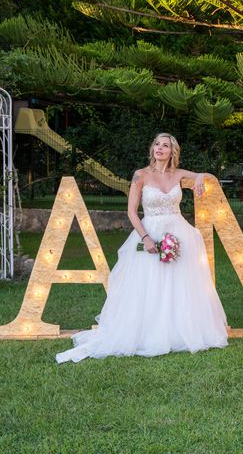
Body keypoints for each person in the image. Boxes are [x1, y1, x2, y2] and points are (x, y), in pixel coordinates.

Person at [56, 133, 228, 363]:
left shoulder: (177, 174)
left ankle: (177, 331)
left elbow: (208, 175)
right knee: (150, 284)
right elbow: (131, 211)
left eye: (165, 145)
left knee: (179, 285)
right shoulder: (141, 175)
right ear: (152, 149)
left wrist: (199, 178)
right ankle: (149, 331)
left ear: (172, 152)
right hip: (150, 232)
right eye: (157, 144)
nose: (160, 148)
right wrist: (146, 238)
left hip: (178, 233)